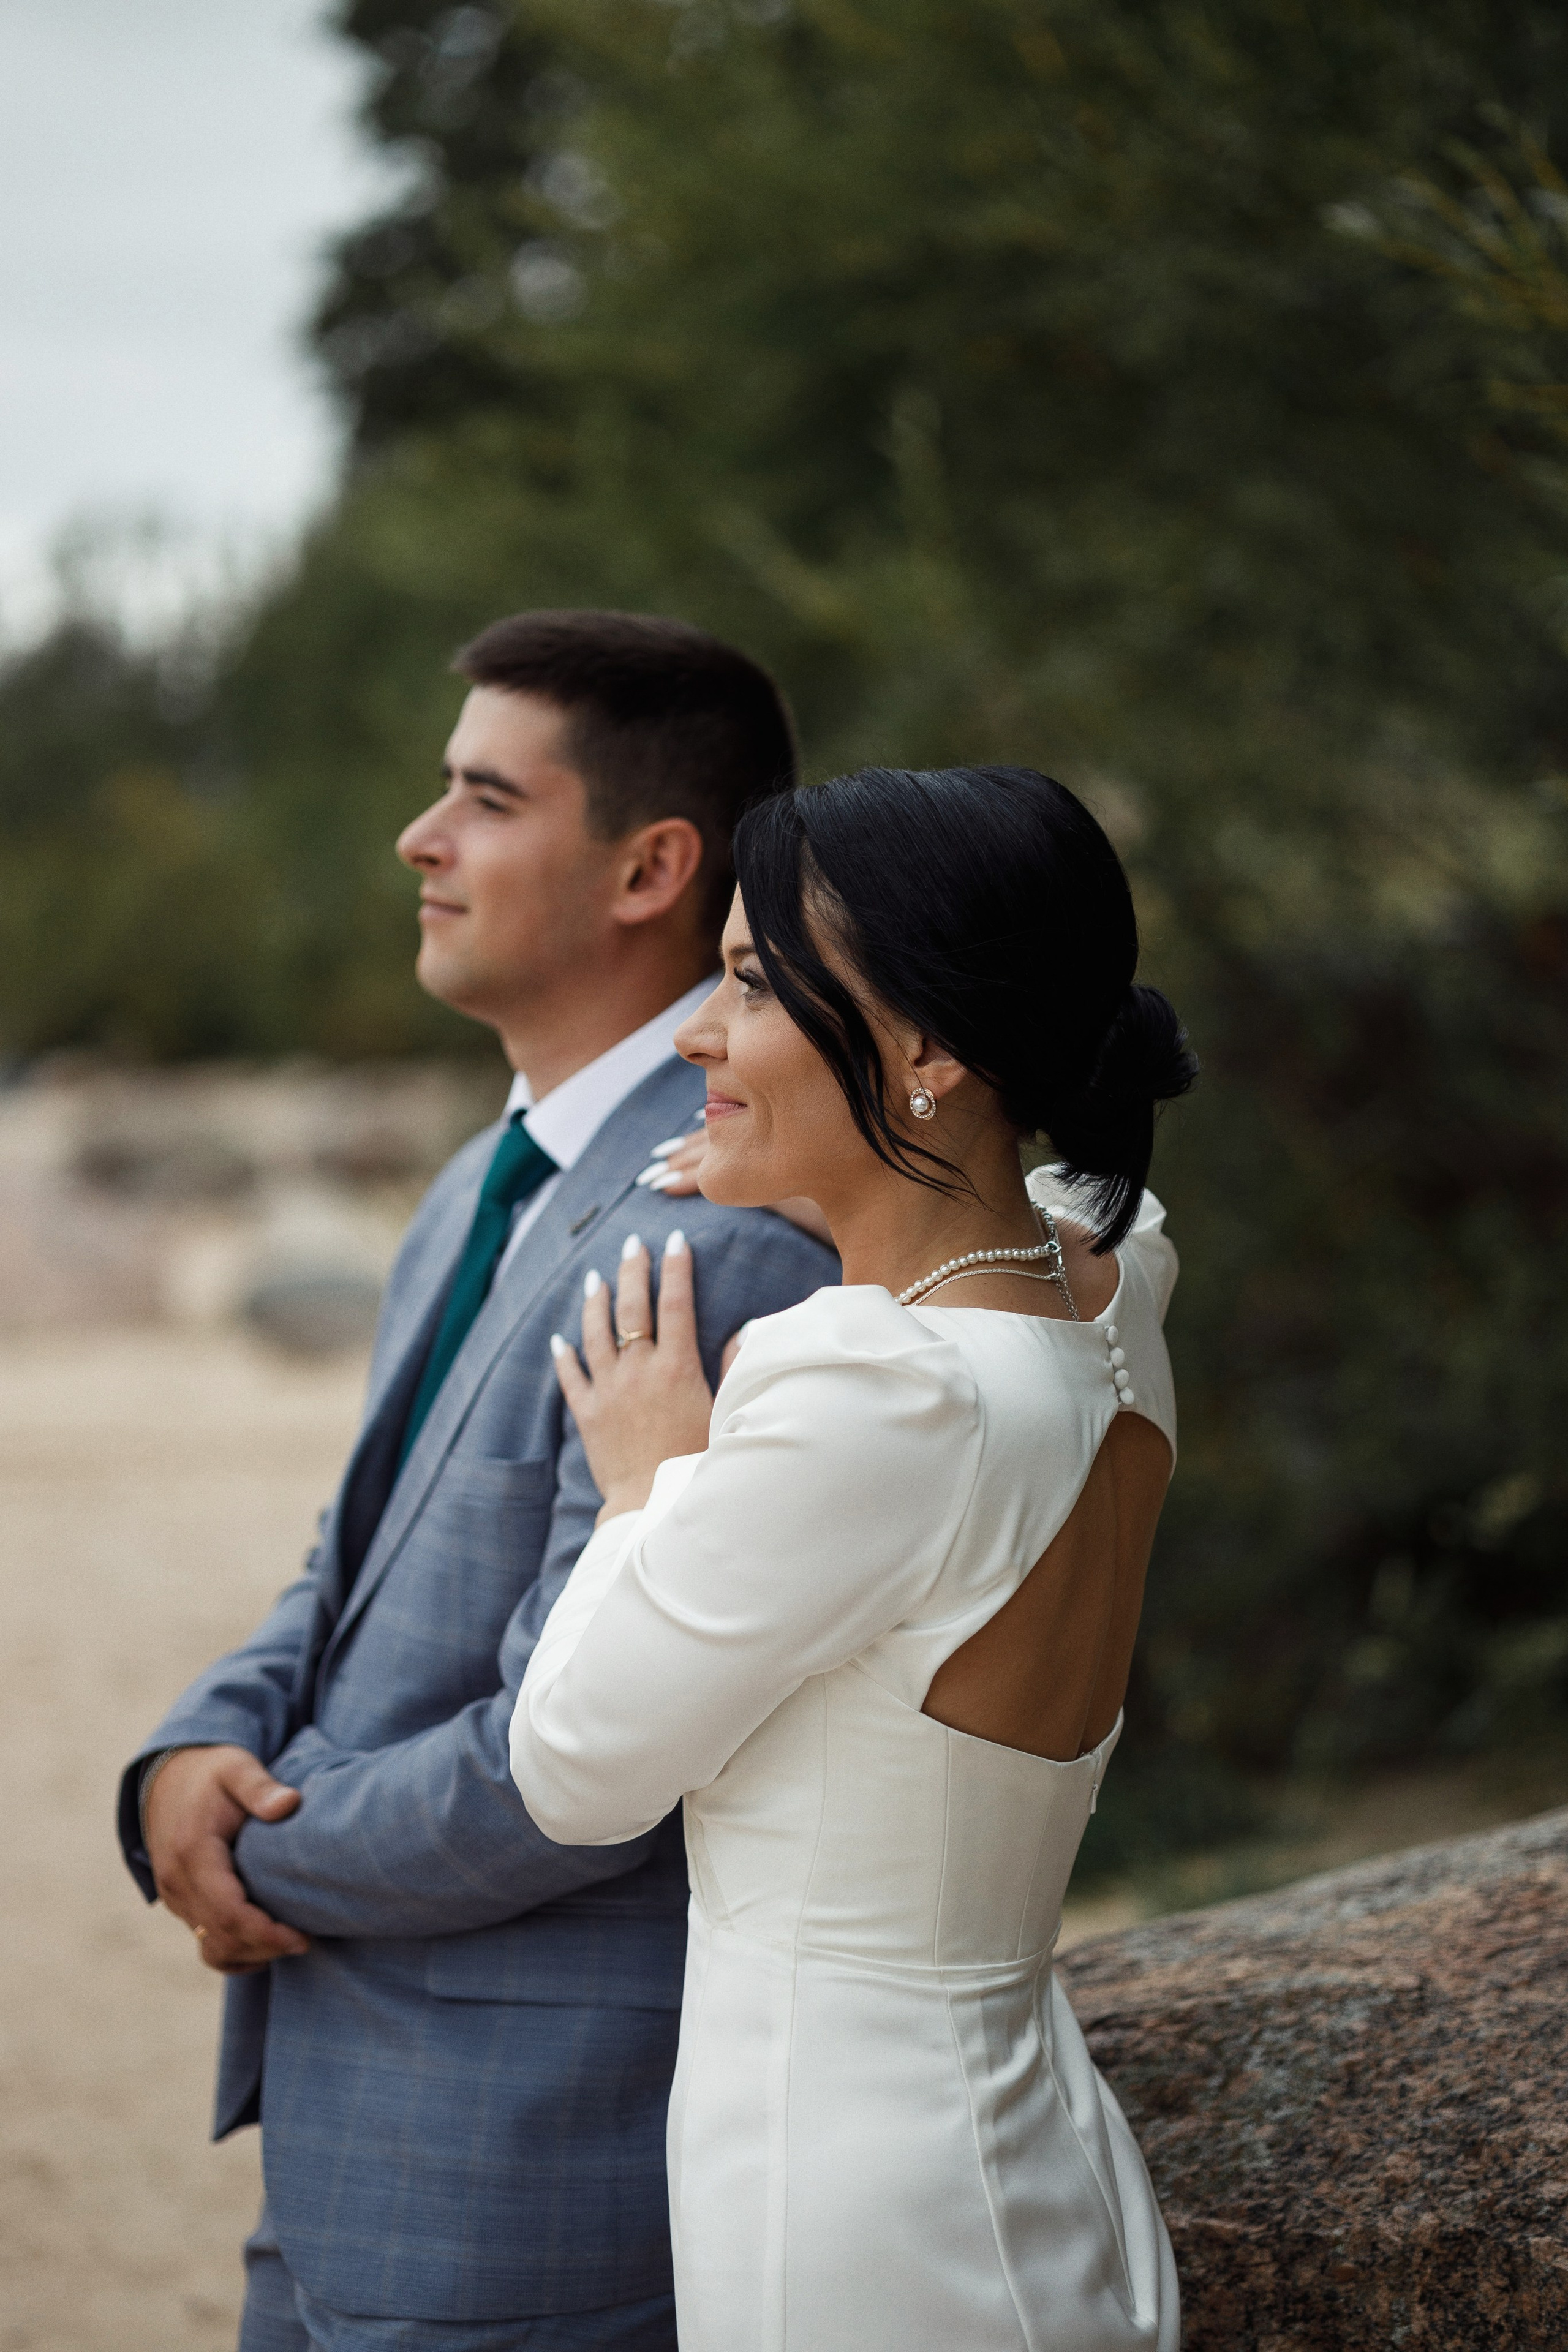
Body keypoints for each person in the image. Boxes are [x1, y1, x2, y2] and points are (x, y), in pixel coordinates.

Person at [116, 611, 838, 2352]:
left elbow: (590, 1739)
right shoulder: (478, 1178)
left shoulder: (723, 1234)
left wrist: (264, 1857)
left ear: (652, 865)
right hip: (340, 2147)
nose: (417, 840)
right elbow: (356, 1558)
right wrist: (194, 1751)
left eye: (484, 798)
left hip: (520, 2177)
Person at [510, 763, 1197, 2352]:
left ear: (935, 1052)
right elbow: (1061, 1212)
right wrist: (832, 1167)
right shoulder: (1110, 1309)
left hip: (848, 2212)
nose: (695, 1035)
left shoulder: (874, 1389)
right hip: (1037, 2158)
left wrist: (647, 1482)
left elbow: (571, 1767)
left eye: (749, 988)